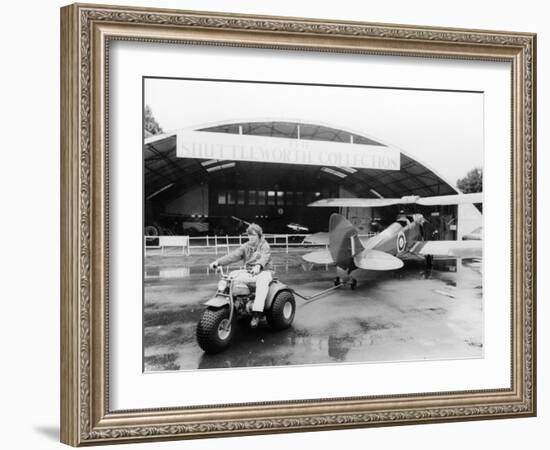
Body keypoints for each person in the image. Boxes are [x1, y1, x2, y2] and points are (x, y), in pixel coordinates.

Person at [209, 223, 272, 328]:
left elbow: (264, 256)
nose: (251, 237)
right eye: (249, 235)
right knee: (231, 276)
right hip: (249, 272)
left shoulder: (264, 245)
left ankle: (257, 313)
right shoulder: (246, 246)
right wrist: (218, 262)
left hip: (264, 271)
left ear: (259, 236)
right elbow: (233, 256)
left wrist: (259, 266)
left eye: (254, 235)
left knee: (262, 282)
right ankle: (231, 304)